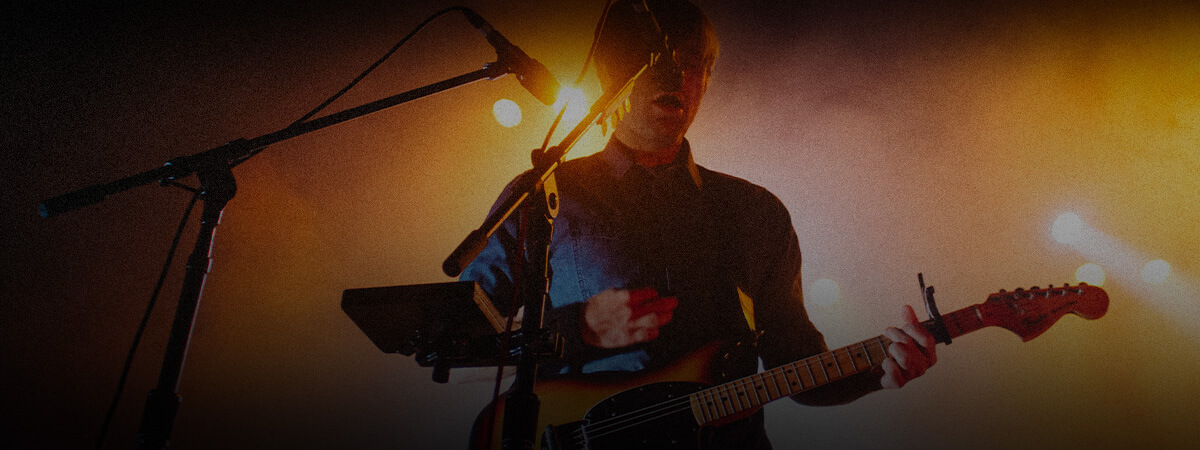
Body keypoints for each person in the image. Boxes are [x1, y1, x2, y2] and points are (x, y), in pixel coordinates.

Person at [461, 0, 937, 447]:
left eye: (696, 63)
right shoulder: (546, 192)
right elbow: (454, 344)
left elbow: (796, 366)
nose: (680, 75)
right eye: (659, 58)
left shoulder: (754, 210)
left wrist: (879, 369)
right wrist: (578, 327)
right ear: (613, 73)